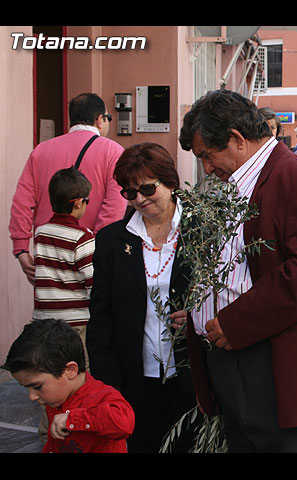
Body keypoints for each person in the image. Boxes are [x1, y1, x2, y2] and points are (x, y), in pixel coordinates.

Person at [178, 89, 297, 453]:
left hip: (283, 362)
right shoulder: (238, 184)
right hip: (239, 359)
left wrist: (236, 321)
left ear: (236, 139)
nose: (206, 168)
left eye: (206, 155)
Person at [86, 143, 196, 453]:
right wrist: (107, 384)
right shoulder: (111, 240)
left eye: (148, 188)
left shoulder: (200, 229)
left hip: (192, 376)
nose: (140, 199)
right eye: (130, 193)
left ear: (170, 182)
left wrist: (199, 316)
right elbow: (101, 316)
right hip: (134, 378)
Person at [9, 93, 127, 286]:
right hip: (91, 253)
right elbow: (114, 206)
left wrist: (21, 248)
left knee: (52, 308)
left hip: (48, 251)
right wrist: (96, 245)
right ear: (99, 119)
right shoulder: (112, 152)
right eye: (108, 118)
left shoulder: (40, 151)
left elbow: (22, 203)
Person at [2, 319, 135, 453]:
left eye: (37, 387)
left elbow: (124, 423)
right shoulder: (55, 401)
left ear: (70, 370)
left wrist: (73, 419)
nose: (32, 397)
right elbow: (54, 442)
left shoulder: (102, 396)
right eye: (26, 388)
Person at [33, 168, 94, 361]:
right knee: (78, 370)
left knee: (51, 370)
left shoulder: (40, 233)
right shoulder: (83, 237)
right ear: (78, 203)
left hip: (44, 319)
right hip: (76, 321)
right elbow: (93, 280)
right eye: (87, 201)